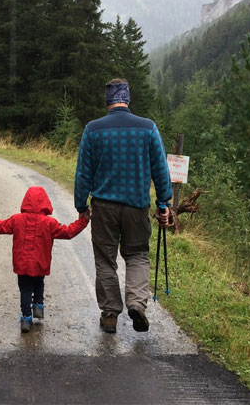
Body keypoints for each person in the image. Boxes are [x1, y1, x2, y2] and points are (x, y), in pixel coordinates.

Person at [73, 78, 174, 334]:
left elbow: (83, 173)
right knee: (137, 255)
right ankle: (137, 304)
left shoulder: (93, 130)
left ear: (107, 101)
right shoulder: (148, 128)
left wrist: (80, 204)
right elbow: (161, 170)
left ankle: (109, 315)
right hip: (137, 206)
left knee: (105, 260)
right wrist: (164, 203)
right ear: (127, 98)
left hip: (104, 207)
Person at [0, 186, 89, 333]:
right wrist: (83, 222)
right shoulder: (50, 223)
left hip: (22, 263)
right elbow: (68, 232)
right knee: (39, 283)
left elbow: (2, 226)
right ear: (45, 203)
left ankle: (26, 317)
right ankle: (38, 306)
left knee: (25, 288)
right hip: (40, 262)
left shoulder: (17, 219)